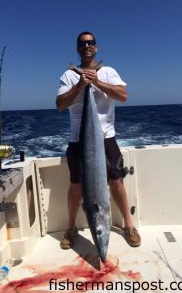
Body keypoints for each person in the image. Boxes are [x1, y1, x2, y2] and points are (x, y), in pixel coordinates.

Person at [56, 31, 141, 250]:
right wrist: (80, 85)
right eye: (83, 43)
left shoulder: (109, 71)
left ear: (96, 47)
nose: (87, 46)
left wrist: (97, 81)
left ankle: (128, 226)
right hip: (78, 140)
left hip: (107, 138)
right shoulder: (69, 76)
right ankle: (71, 228)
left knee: (116, 181)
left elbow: (123, 96)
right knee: (76, 184)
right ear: (78, 48)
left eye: (91, 43)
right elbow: (60, 105)